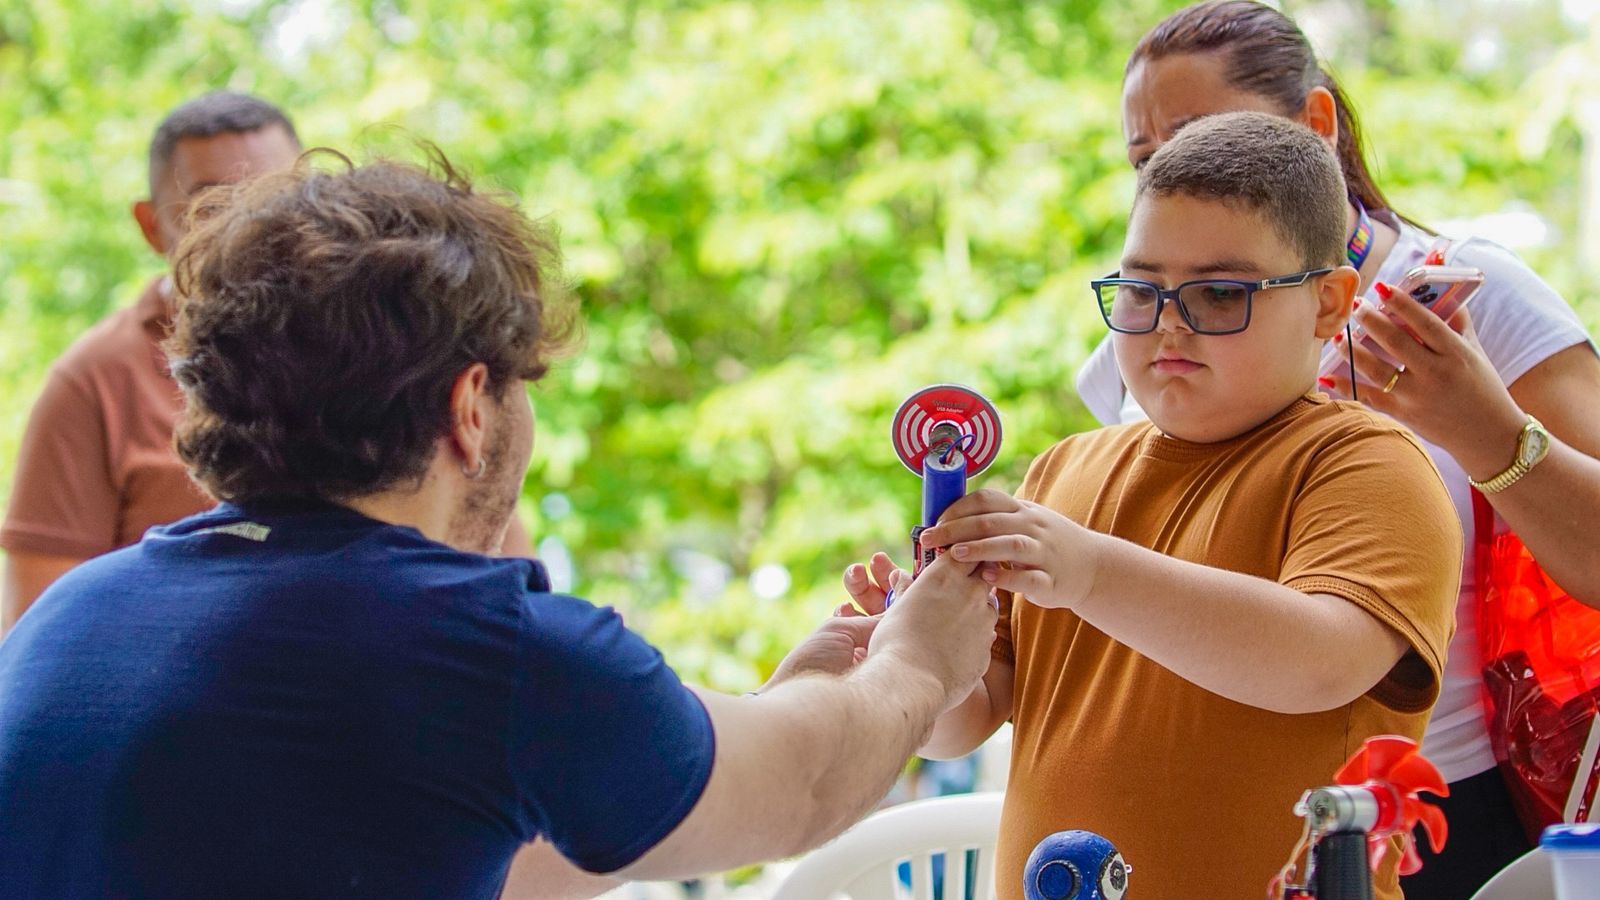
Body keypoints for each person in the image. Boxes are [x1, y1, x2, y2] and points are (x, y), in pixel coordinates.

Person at [0, 151, 1001, 899]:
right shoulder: (487, 649)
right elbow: (808, 788)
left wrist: (774, 707)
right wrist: (918, 661)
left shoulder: (72, 622)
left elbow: (502, 855)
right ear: (470, 405)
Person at [846, 112, 1461, 899]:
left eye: (1219, 292)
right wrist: (912, 651)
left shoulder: (1366, 462)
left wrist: (1088, 571)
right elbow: (967, 722)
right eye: (1141, 290)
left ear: (1329, 306)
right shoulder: (1066, 468)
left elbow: (1322, 662)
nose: (1168, 323)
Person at [1071, 3, 1600, 895]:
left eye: (1204, 134)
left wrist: (1484, 432)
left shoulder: (1472, 297)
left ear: (1316, 126)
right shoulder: (1142, 337)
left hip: (1435, 813)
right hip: (1204, 817)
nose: (1173, 171)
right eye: (1143, 158)